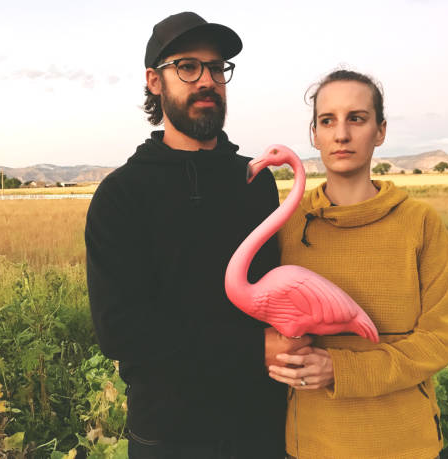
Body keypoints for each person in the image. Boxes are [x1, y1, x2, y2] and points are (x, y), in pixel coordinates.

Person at [85, 12, 311, 459]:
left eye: (217, 68)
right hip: (171, 434)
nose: (207, 80)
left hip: (263, 426)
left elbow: (275, 295)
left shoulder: (255, 181)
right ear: (154, 81)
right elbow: (121, 331)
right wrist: (250, 349)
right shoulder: (122, 195)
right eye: (188, 67)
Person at [268, 70, 448, 458]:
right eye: (327, 121)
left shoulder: (420, 224)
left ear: (380, 130)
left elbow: (438, 342)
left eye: (356, 118)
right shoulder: (285, 227)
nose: (341, 134)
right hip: (313, 444)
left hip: (407, 442)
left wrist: (342, 369)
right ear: (314, 135)